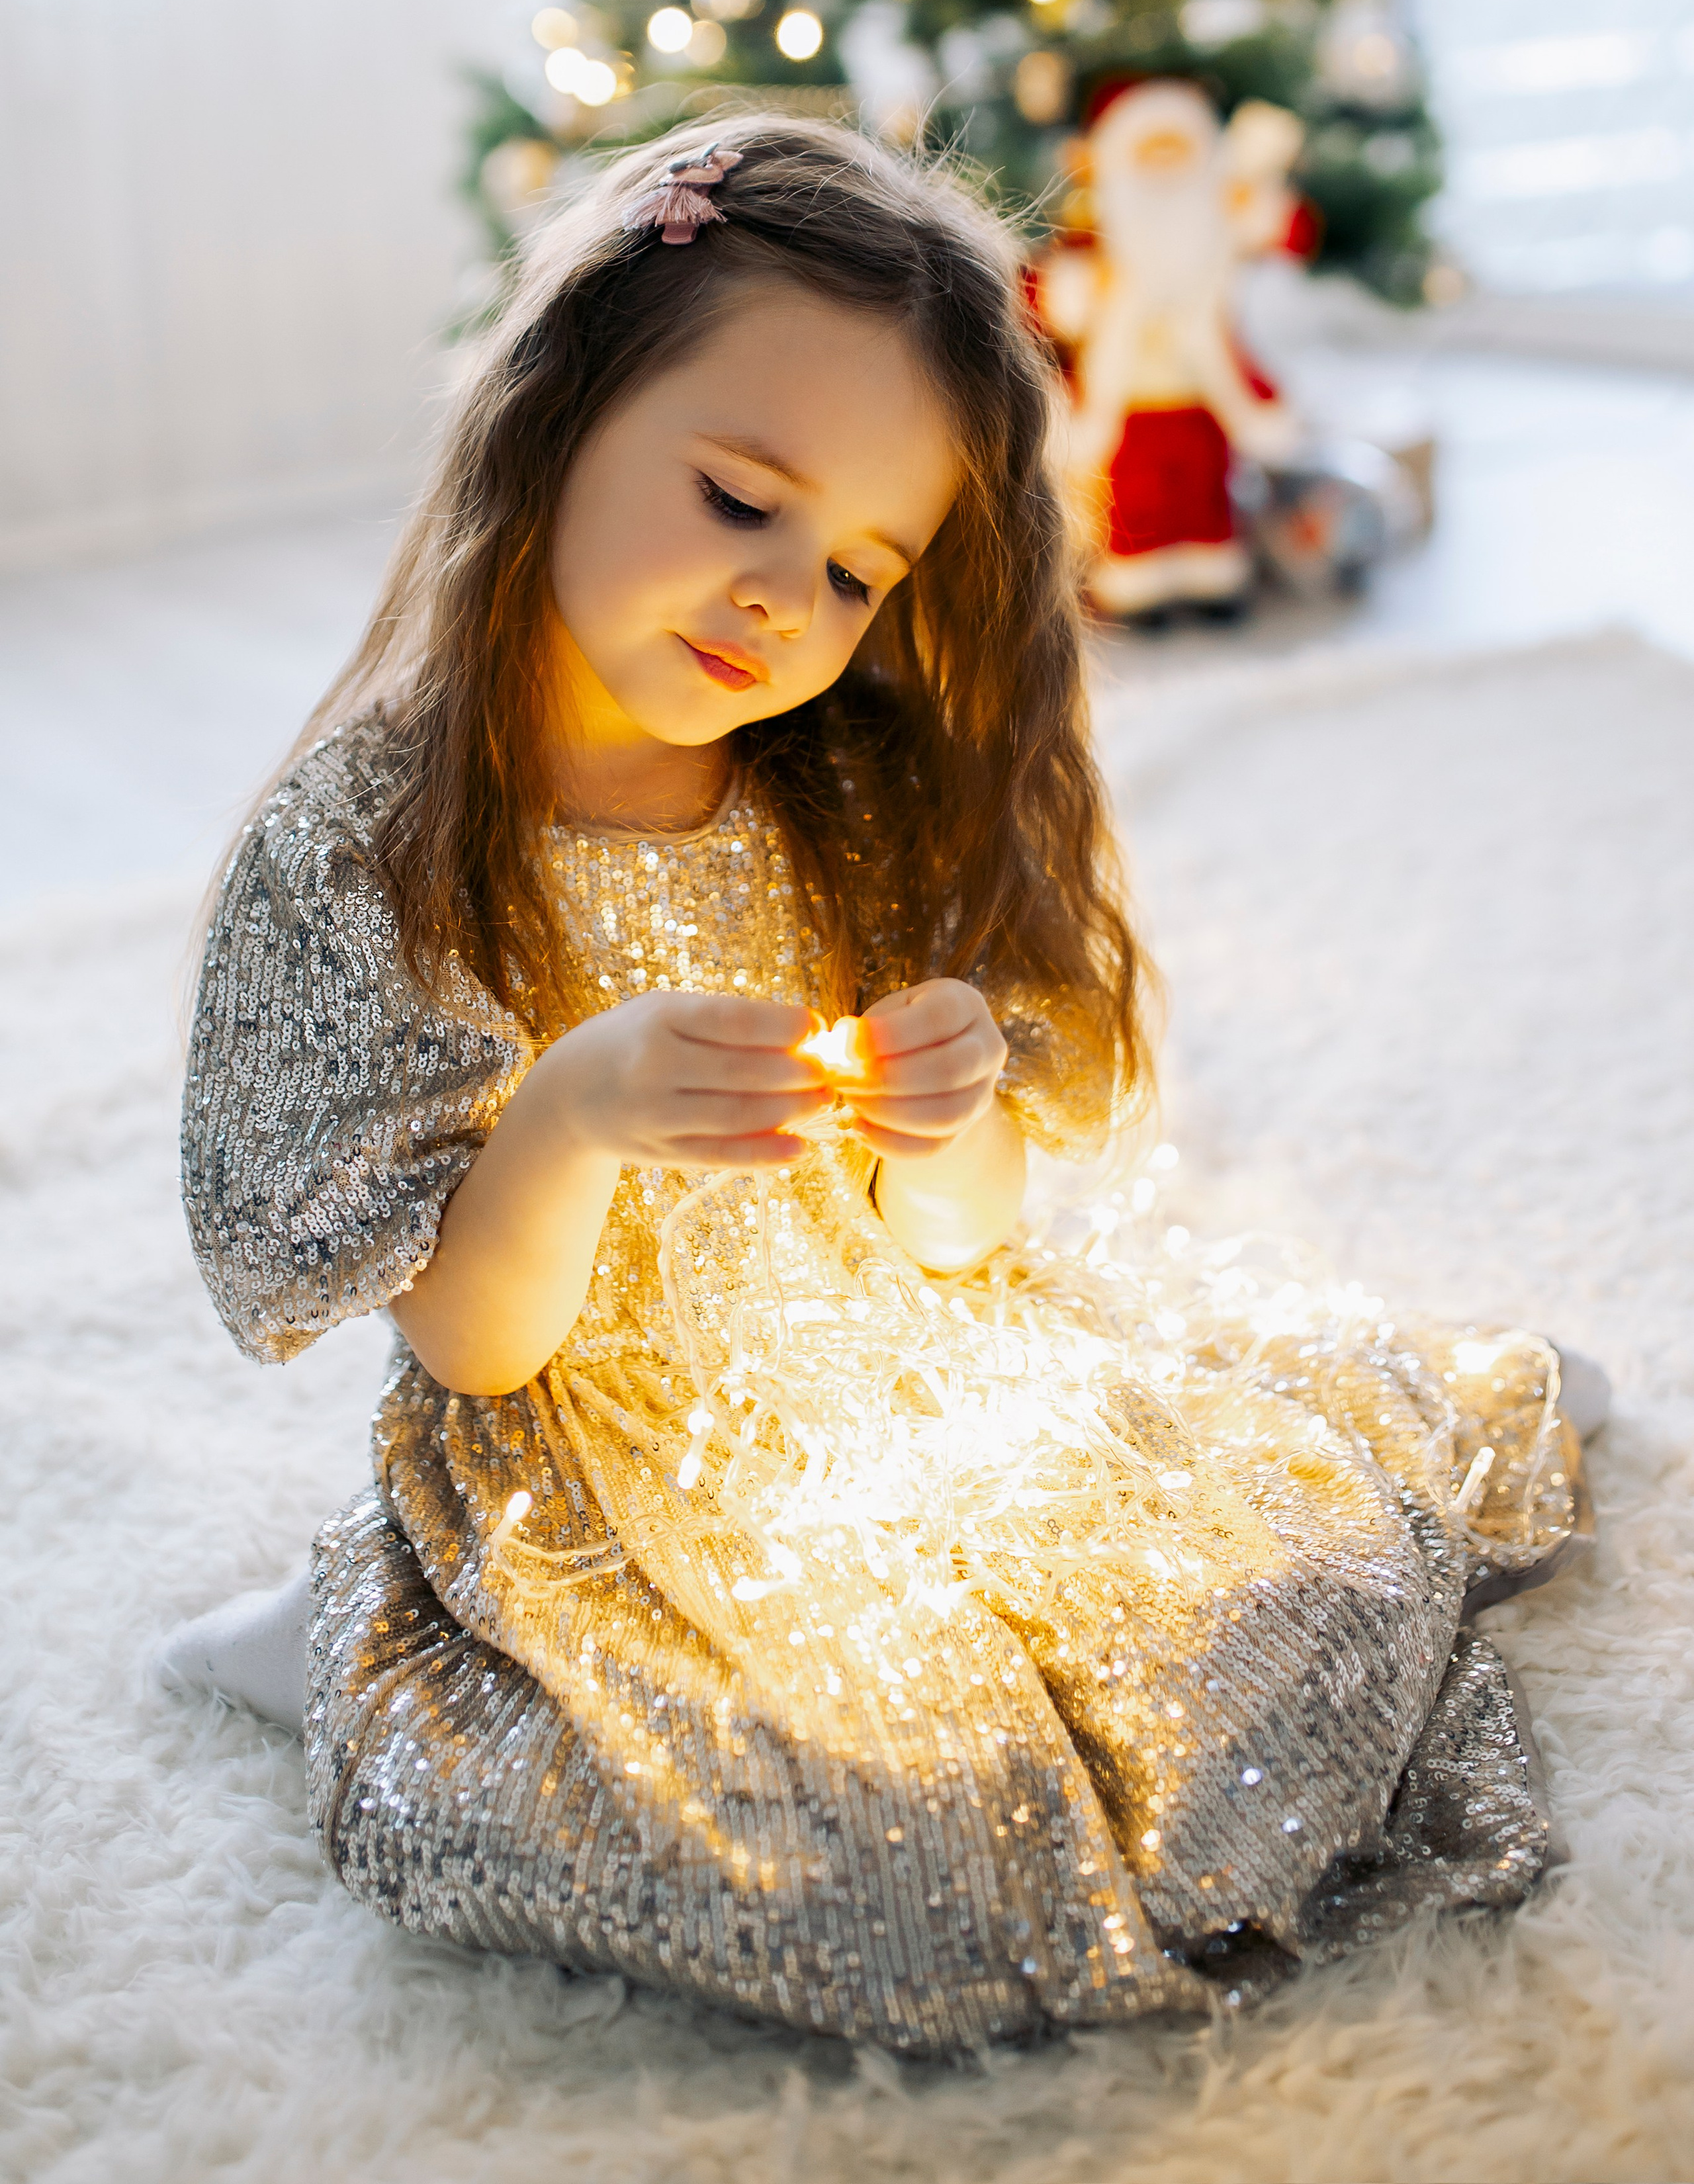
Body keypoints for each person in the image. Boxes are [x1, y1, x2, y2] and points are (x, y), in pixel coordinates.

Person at [164, 116, 1598, 2056]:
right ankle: (367, 1624)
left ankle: (1384, 1448)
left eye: (853, 569)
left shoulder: (827, 785)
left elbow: (958, 1242)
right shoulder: (383, 848)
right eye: (738, 496)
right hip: (605, 1467)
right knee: (890, 1847)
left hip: (884, 1390)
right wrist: (574, 1110)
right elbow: (484, 1348)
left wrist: (951, 1117)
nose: (782, 602)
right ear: (560, 411)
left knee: (1272, 1625)